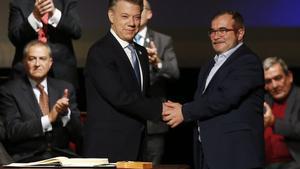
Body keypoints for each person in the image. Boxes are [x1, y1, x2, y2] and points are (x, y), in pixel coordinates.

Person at [162, 10, 265, 169]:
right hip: (209, 153)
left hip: (235, 156)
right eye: (212, 31)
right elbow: (203, 103)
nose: (216, 36)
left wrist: (185, 111)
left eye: (223, 30)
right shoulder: (209, 65)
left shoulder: (247, 61)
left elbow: (225, 98)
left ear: (240, 32)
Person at [83, 0, 165, 162]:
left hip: (138, 146)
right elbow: (120, 98)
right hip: (107, 149)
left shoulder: (141, 53)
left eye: (136, 17)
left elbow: (142, 95)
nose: (132, 23)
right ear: (111, 16)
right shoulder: (100, 52)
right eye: (125, 16)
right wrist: (161, 109)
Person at [0, 40, 82, 162]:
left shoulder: (65, 88)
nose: (37, 63)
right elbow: (13, 132)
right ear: (24, 62)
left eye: (42, 59)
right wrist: (49, 118)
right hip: (27, 158)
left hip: (63, 158)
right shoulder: (9, 90)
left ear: (50, 63)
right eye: (32, 58)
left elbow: (79, 135)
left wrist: (66, 115)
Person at [135, 0, 179, 164]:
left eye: (141, 8)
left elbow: (174, 72)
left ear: (149, 14)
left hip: (154, 121)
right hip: (127, 121)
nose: (137, 12)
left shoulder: (162, 41)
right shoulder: (123, 40)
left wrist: (157, 63)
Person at [8, 0, 81, 88]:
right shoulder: (18, 3)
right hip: (26, 72)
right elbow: (15, 37)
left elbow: (76, 31)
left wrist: (54, 14)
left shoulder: (66, 2)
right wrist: (34, 18)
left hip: (61, 73)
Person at [263, 57, 300, 169]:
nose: (274, 85)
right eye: (268, 81)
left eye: (278, 78)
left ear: (289, 76)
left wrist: (274, 122)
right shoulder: (263, 102)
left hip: (293, 163)